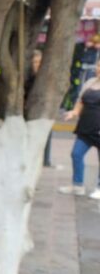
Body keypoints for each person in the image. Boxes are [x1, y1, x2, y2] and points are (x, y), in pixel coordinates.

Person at [59, 59, 100, 197]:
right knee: (76, 154)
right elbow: (80, 101)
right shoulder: (90, 83)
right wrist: (74, 112)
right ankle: (77, 186)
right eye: (98, 65)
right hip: (85, 128)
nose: (98, 68)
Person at [26, 49, 53, 167]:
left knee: (47, 135)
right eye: (35, 62)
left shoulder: (46, 78)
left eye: (39, 62)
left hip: (44, 111)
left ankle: (46, 160)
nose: (37, 64)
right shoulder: (28, 79)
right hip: (30, 112)